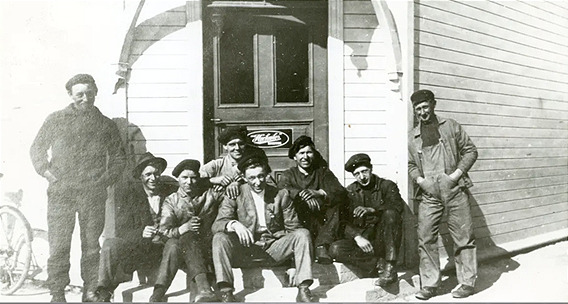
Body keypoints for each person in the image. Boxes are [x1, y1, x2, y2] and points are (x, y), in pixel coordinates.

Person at [29, 74, 125, 302]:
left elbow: (119, 158)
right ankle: (57, 293)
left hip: (92, 194)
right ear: (70, 95)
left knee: (91, 246)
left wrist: (104, 180)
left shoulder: (105, 124)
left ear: (95, 94)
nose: (85, 98)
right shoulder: (56, 119)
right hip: (61, 194)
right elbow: (37, 150)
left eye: (89, 93)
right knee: (59, 245)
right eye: (80, 94)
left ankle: (90, 290)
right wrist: (49, 175)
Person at [211, 152, 314, 302]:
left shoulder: (280, 194)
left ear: (266, 175)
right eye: (252, 178)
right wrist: (234, 224)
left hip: (273, 248)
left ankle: (304, 289)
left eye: (261, 176)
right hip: (246, 249)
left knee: (303, 234)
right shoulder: (235, 193)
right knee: (219, 237)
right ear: (244, 178)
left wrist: (293, 264)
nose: (257, 182)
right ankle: (226, 292)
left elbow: (294, 228)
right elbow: (217, 225)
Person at [408, 89, 478, 300]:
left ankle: (467, 283)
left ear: (433, 105)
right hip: (429, 194)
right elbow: (411, 164)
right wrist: (421, 181)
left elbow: (471, 151)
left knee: (463, 236)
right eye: (418, 109)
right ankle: (430, 284)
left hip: (454, 189)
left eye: (425, 107)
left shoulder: (451, 126)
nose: (422, 112)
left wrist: (455, 175)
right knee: (426, 237)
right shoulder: (413, 137)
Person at [93, 152, 177, 302]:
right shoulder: (131, 197)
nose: (153, 178)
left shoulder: (170, 192)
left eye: (156, 174)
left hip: (165, 250)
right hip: (141, 251)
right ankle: (104, 291)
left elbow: (195, 182)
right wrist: (141, 233)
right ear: (141, 177)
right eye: (148, 174)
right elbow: (122, 230)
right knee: (110, 244)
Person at [329, 153, 405, 287]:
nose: (362, 177)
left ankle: (390, 267)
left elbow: (397, 206)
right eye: (357, 174)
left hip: (384, 239)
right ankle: (378, 264)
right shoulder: (350, 191)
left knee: (391, 214)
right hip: (364, 241)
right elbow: (342, 222)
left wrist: (372, 209)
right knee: (335, 249)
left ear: (371, 169)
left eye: (364, 171)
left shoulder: (387, 185)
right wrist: (357, 237)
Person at [157, 159, 223, 302]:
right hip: (180, 252)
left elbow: (228, 201)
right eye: (184, 178)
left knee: (191, 243)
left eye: (193, 178)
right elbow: (164, 232)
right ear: (178, 179)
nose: (189, 182)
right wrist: (183, 228)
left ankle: (159, 292)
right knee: (181, 240)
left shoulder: (210, 195)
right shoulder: (171, 200)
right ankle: (203, 289)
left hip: (206, 249)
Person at [277, 135, 347, 264]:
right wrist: (302, 194)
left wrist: (320, 192)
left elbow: (340, 192)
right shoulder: (289, 174)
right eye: (301, 153)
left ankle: (321, 246)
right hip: (299, 219)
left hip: (321, 221)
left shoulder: (322, 172)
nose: (305, 157)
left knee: (337, 206)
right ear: (295, 156)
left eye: (309, 152)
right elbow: (282, 190)